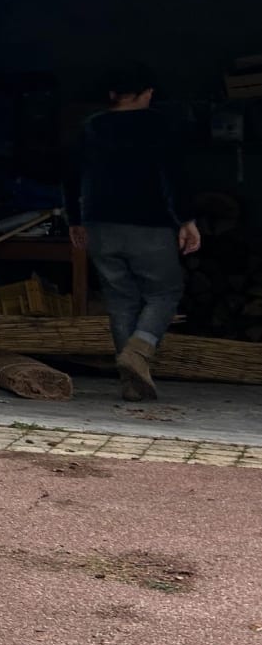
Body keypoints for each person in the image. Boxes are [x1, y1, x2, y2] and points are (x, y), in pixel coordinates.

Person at [65, 62, 201, 402]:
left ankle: (131, 384)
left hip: (100, 225)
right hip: (148, 225)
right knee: (165, 292)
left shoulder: (90, 127)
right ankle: (139, 350)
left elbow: (69, 176)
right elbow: (176, 175)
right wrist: (186, 220)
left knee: (120, 300)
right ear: (147, 93)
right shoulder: (161, 125)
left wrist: (75, 220)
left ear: (113, 95)